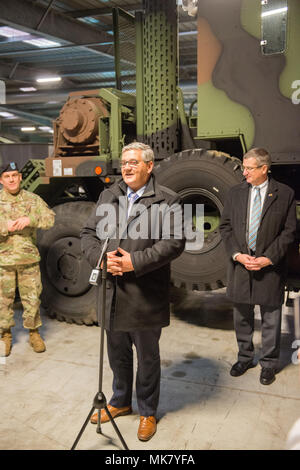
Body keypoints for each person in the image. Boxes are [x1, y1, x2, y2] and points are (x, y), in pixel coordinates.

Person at [80, 142, 185, 441]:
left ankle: (148, 410)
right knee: (117, 352)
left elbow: (174, 242)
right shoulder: (108, 195)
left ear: (149, 166)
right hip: (111, 292)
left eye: (134, 162)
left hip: (144, 294)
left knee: (148, 357)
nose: (126, 167)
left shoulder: (168, 201)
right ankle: (120, 401)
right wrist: (102, 259)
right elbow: (88, 234)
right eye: (124, 162)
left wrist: (132, 263)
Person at [219, 148, 296, 385]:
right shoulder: (235, 193)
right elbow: (226, 228)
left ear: (264, 168)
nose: (244, 173)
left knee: (271, 318)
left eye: (249, 168)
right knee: (242, 316)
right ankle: (244, 357)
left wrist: (269, 258)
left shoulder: (284, 194)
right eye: (244, 168)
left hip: (269, 267)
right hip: (241, 265)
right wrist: (237, 255)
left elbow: (289, 231)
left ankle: (269, 364)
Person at [0, 162, 55, 356]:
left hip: (28, 260)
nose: (12, 179)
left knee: (32, 299)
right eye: (7, 176)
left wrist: (30, 220)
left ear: (20, 178)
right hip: (3, 263)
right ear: (1, 180)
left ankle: (34, 333)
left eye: (15, 175)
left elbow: (50, 218)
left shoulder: (33, 199)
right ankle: (5, 336)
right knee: (3, 302)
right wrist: (4, 225)